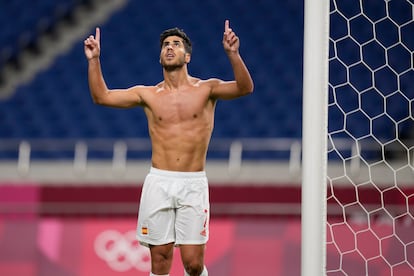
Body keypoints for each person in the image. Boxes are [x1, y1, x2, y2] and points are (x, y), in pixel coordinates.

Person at [84, 20, 253, 276]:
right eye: (165, 45)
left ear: (188, 56)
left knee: (193, 264)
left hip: (193, 183)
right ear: (160, 56)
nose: (170, 48)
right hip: (159, 182)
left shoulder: (207, 89)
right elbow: (102, 97)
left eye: (176, 44)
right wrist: (94, 59)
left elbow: (244, 88)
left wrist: (233, 54)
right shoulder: (148, 94)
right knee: (160, 259)